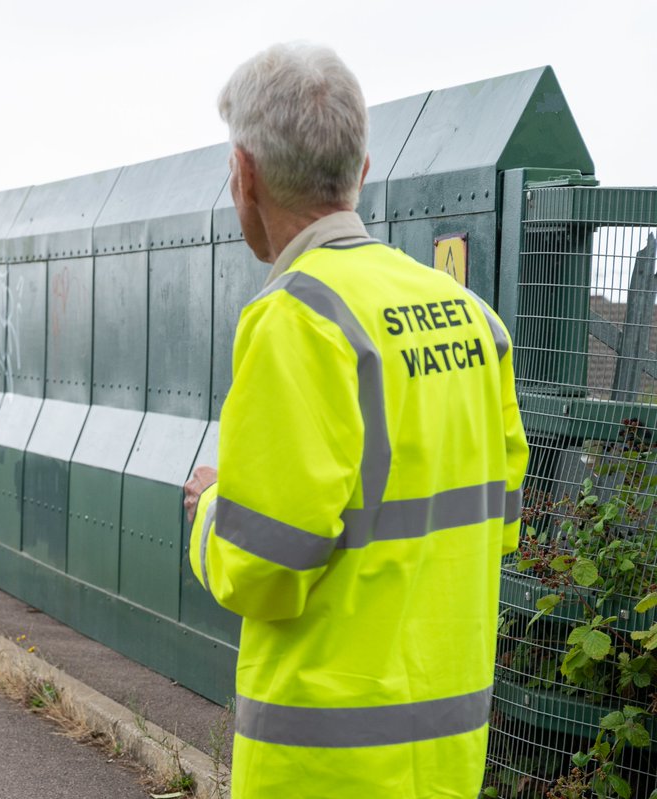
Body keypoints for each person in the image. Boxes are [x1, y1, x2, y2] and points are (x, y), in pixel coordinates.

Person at [181, 44, 529, 797]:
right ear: (362, 170)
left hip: (322, 769)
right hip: (446, 763)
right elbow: (496, 525)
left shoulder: (297, 319)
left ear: (243, 174)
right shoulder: (475, 321)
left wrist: (210, 510)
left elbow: (263, 567)